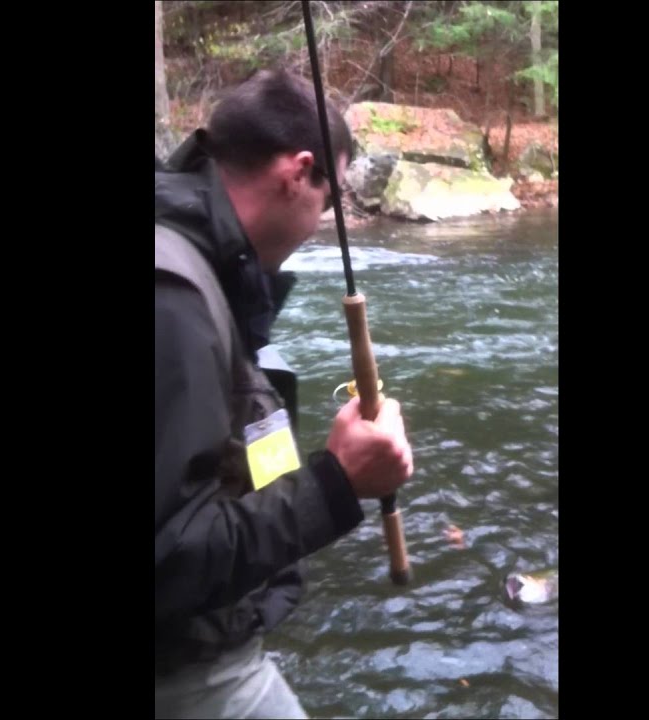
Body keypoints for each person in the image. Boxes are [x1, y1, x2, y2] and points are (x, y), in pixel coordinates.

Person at [154, 69, 415, 719]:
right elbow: (168, 559)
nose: (319, 225)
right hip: (189, 671)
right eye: (327, 205)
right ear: (298, 172)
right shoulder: (174, 298)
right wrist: (337, 481)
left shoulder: (191, 261)